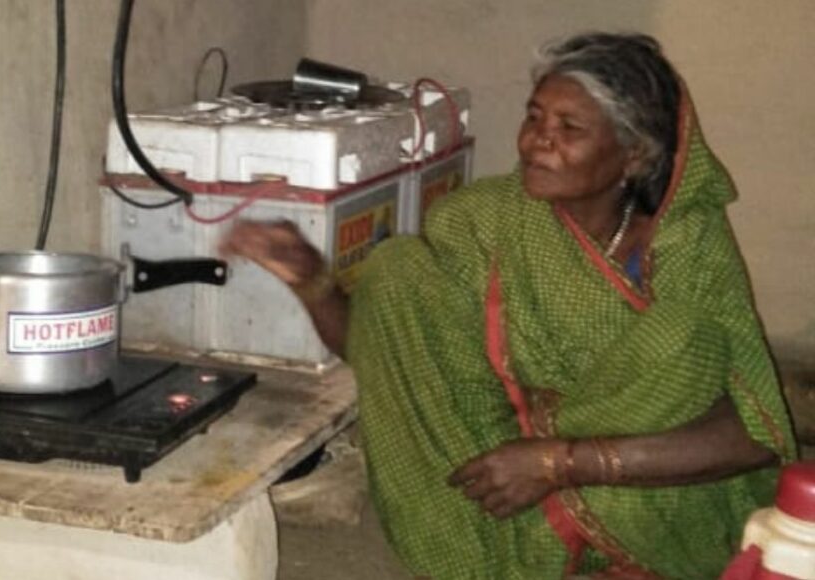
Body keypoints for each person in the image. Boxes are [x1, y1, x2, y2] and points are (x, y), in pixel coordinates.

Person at [220, 32, 797, 579]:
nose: (537, 140)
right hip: (512, 461)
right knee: (397, 271)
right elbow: (391, 347)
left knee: (677, 342)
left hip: (646, 486)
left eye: (569, 126)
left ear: (634, 156)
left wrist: (558, 462)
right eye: (534, 117)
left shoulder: (687, 246)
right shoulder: (489, 221)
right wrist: (311, 282)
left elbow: (753, 435)